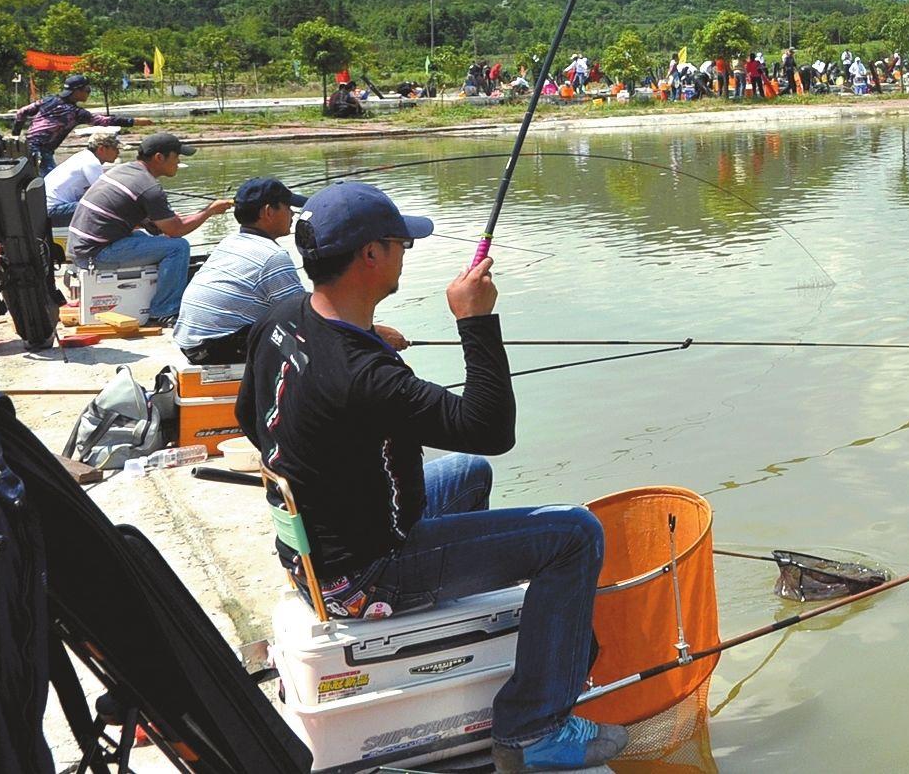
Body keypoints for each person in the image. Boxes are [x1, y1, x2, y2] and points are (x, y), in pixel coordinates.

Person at [237, 184, 623, 772]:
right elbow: (489, 426)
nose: (405, 253)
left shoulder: (281, 318)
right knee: (575, 535)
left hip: (311, 551)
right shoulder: (363, 377)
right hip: (365, 576)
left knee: (468, 473)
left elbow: (249, 416)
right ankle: (534, 728)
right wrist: (476, 319)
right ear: (370, 256)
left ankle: (481, 638)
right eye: (399, 244)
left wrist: (369, 340)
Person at [65, 132, 231, 328]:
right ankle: (164, 311)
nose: (178, 163)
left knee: (149, 238)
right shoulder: (149, 187)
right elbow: (176, 231)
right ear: (159, 158)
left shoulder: (124, 171)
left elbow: (154, 225)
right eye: (176, 157)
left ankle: (157, 299)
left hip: (80, 249)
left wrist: (164, 220)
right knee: (178, 247)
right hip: (96, 254)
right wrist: (209, 211)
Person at [172, 178, 309, 365]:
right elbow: (300, 315)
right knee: (309, 336)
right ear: (268, 212)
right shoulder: (272, 256)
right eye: (287, 208)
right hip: (217, 347)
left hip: (190, 345)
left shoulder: (230, 241)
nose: (293, 214)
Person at [9, 74, 145, 171]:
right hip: (41, 151)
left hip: (26, 146)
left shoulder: (49, 100)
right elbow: (103, 121)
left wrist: (15, 136)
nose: (88, 93)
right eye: (87, 90)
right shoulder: (75, 113)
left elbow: (21, 112)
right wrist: (133, 121)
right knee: (49, 185)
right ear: (76, 91)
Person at [42, 128, 122, 227]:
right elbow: (106, 194)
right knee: (103, 206)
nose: (118, 152)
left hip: (46, 210)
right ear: (101, 148)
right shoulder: (91, 163)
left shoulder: (83, 156)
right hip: (54, 211)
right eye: (115, 148)